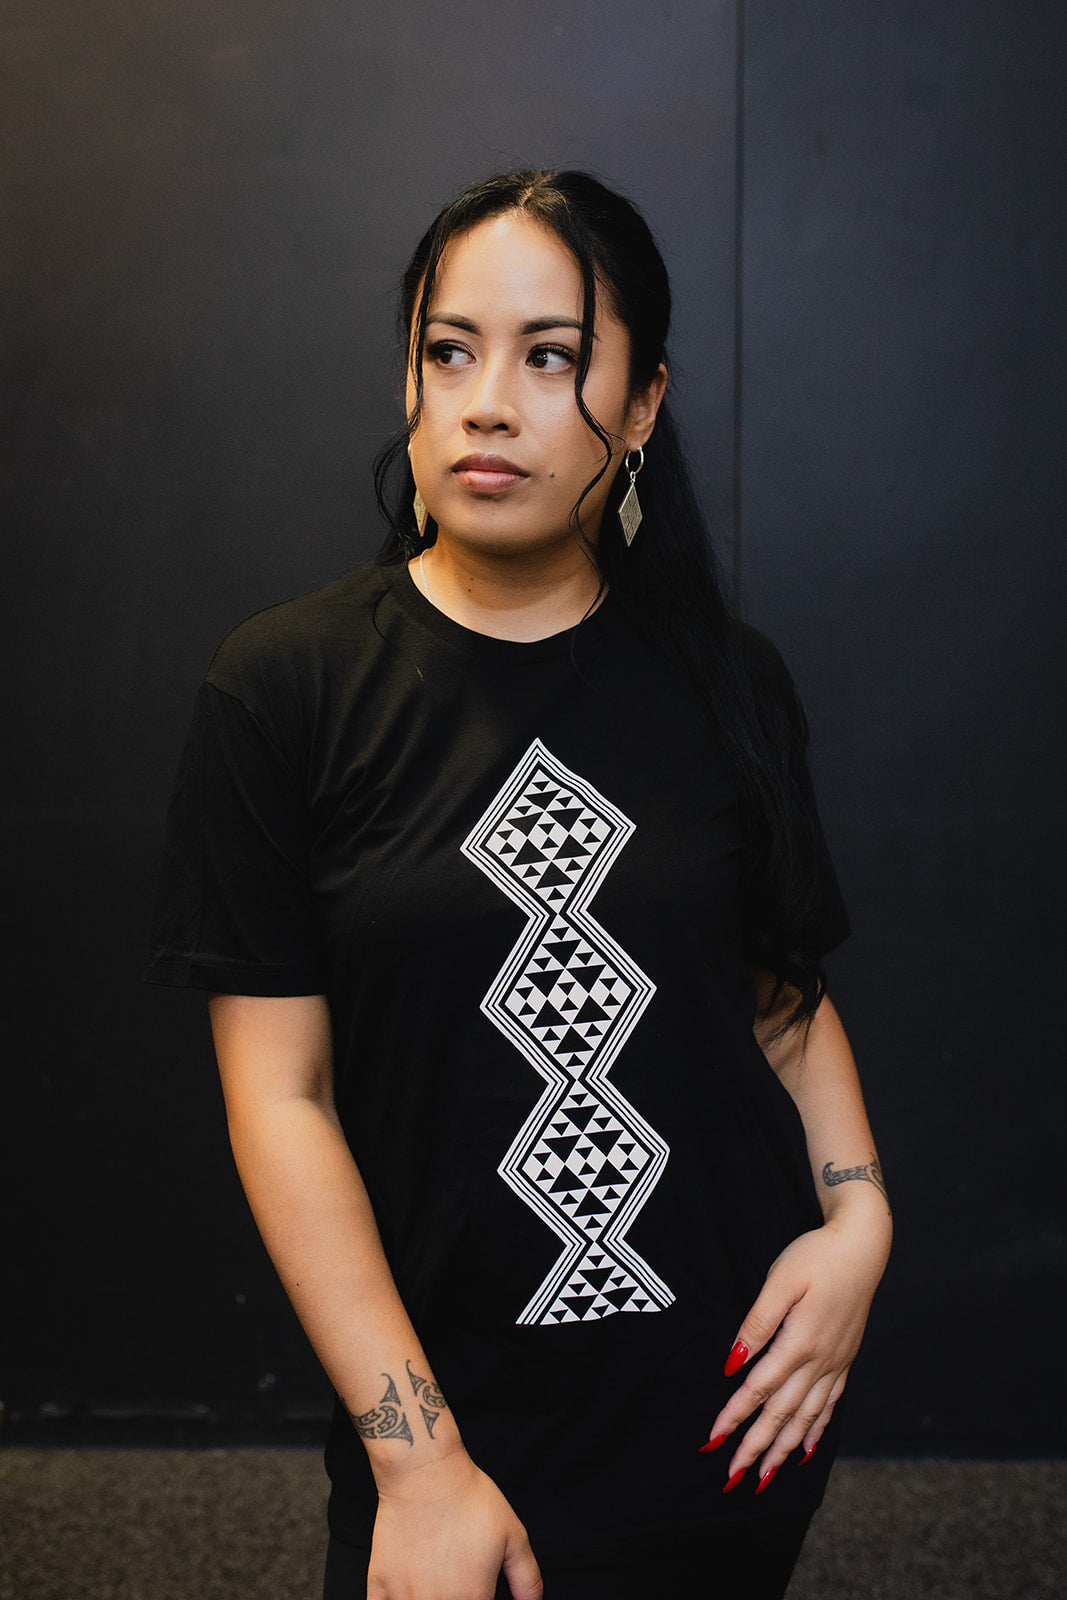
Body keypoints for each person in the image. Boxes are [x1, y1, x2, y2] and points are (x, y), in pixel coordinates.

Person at [146, 168, 892, 1600]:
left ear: (644, 404)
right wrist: (417, 1463)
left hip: (727, 1411)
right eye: (450, 351)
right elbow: (280, 1098)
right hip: (447, 1434)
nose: (487, 403)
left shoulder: (728, 684)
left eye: (551, 357)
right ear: (410, 378)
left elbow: (781, 1002)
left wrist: (860, 1222)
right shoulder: (285, 687)